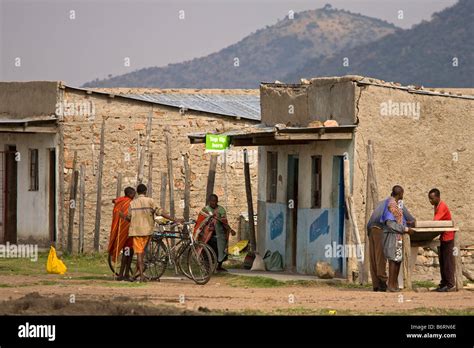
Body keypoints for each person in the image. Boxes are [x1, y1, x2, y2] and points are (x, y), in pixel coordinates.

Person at [125, 184, 181, 282]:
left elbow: (129, 218)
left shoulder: (132, 203)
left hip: (136, 231)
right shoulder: (150, 201)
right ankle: (140, 275)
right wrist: (174, 219)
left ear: (137, 192)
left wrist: (123, 217)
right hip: (147, 230)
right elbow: (160, 212)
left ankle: (139, 275)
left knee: (139, 254)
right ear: (145, 191)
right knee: (142, 254)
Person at [367, 194, 415, 292]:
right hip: (380, 228)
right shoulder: (395, 204)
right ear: (399, 195)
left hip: (371, 228)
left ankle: (376, 284)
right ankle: (383, 282)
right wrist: (408, 226)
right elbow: (410, 219)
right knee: (381, 257)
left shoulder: (382, 202)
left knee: (374, 257)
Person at [381, 185, 414, 292]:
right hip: (392, 236)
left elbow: (399, 219)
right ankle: (390, 285)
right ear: (400, 194)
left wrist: (406, 223)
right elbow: (390, 224)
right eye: (402, 193)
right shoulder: (391, 205)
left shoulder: (396, 204)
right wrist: (405, 229)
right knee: (392, 260)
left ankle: (394, 285)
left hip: (397, 236)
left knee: (397, 260)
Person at [194, 194, 236, 272]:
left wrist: (230, 230)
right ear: (209, 201)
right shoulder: (205, 210)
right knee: (207, 251)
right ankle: (207, 267)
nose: (214, 202)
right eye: (212, 201)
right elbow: (200, 222)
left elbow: (224, 222)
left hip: (219, 234)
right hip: (207, 235)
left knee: (221, 250)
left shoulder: (221, 209)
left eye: (215, 201)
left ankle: (219, 266)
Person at [429, 188, 456, 292]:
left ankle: (450, 285)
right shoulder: (436, 206)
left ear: (438, 197)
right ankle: (443, 283)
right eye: (429, 199)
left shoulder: (442, 206)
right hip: (443, 237)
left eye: (432, 198)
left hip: (448, 237)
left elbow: (435, 221)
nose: (430, 201)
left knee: (448, 262)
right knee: (443, 262)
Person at [107, 187, 136, 281]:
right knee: (128, 253)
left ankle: (124, 274)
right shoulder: (129, 203)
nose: (134, 196)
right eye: (133, 194)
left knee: (128, 253)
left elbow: (115, 202)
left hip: (123, 232)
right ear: (130, 194)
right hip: (128, 232)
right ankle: (123, 274)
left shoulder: (121, 201)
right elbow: (129, 217)